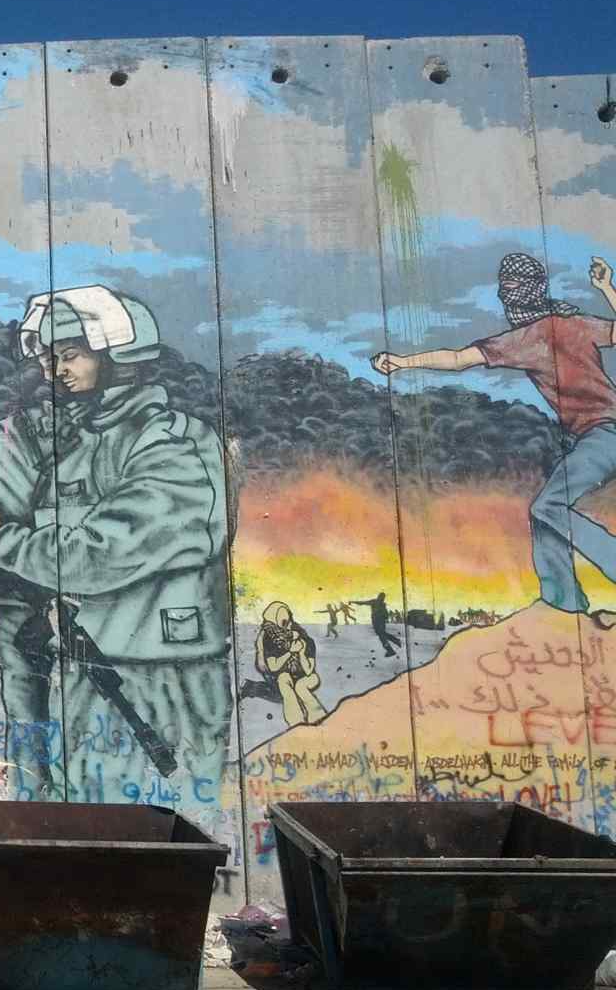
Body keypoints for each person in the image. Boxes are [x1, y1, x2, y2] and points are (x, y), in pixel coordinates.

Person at [0, 285, 232, 823]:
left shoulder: (173, 443)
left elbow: (102, 552)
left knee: (152, 832)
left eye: (72, 355)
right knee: (84, 824)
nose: (56, 371)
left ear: (119, 354)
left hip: (160, 674)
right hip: (94, 666)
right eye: (49, 358)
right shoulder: (79, 441)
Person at [373, 253, 616, 627]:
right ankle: (563, 603)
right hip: (596, 436)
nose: (505, 296)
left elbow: (458, 359)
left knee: (549, 506)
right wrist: (606, 288)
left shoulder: (527, 338)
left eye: (510, 288)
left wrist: (404, 362)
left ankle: (580, 589)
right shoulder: (574, 324)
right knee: (543, 512)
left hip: (606, 434)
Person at [0, 308, 61, 797]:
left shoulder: (9, 436)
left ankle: (37, 799)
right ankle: (33, 800)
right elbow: (8, 507)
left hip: (27, 592)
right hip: (23, 597)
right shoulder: (7, 436)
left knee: (38, 715)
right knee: (29, 716)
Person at [256, 602, 326, 729]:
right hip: (283, 676)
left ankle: (319, 717)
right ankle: (296, 723)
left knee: (300, 686)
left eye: (288, 623)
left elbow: (309, 671)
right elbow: (273, 667)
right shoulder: (271, 641)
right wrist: (290, 652)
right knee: (284, 680)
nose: (287, 627)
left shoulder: (306, 640)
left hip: (306, 676)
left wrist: (301, 652)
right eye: (283, 624)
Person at [350, 591, 401, 657]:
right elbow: (386, 615)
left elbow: (363, 603)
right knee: (382, 634)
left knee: (381, 635)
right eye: (382, 597)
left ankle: (391, 650)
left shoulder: (376, 602)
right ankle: (395, 642)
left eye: (382, 598)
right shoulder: (381, 604)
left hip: (378, 621)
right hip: (379, 621)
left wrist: (353, 602)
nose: (381, 599)